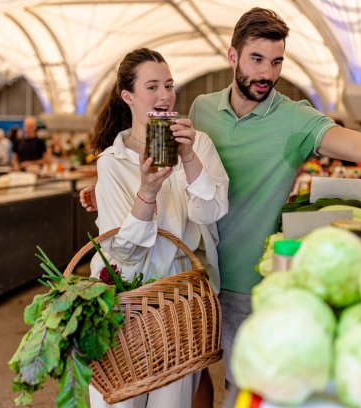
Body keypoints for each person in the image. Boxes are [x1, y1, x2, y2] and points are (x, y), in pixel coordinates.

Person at [81, 7, 361, 392]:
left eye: (276, 61)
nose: (267, 73)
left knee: (244, 385)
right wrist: (115, 189)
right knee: (187, 375)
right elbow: (173, 170)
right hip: (189, 277)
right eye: (256, 59)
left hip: (246, 282)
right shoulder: (202, 108)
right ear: (232, 56)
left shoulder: (295, 120)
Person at [87, 47, 229, 408]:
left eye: (169, 85)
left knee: (173, 399)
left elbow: (212, 211)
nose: (165, 95)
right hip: (128, 301)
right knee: (121, 399)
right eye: (152, 86)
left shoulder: (199, 145)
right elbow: (122, 256)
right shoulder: (113, 163)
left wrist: (188, 156)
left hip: (179, 300)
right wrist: (147, 190)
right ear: (128, 96)